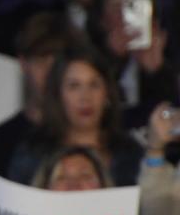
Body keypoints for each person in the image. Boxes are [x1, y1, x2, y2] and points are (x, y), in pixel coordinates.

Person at [8, 46, 142, 187]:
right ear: (58, 96)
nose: (85, 98)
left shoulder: (128, 154)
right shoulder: (33, 154)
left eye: (94, 85)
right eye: (74, 86)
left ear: (107, 94)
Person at [0, 12, 85, 179]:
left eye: (59, 64)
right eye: (41, 62)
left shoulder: (93, 137)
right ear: (23, 64)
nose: (51, 74)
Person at [88, 0, 178, 131]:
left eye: (136, 7)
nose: (126, 17)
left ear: (154, 18)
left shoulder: (172, 60)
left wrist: (157, 73)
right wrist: (112, 60)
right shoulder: (86, 62)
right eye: (118, 7)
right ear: (102, 19)